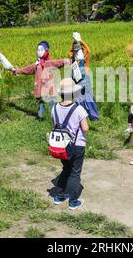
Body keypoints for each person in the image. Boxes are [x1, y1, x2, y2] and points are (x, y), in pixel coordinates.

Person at [50, 78, 89, 210]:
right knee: (75, 172)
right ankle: (73, 201)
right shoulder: (78, 109)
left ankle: (59, 196)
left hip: (61, 145)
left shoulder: (54, 108)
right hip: (77, 145)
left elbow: (55, 124)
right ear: (73, 93)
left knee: (66, 169)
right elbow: (85, 128)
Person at [13, 41, 71, 118]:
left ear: (47, 51)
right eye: (38, 50)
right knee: (41, 102)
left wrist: (71, 60)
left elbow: (60, 62)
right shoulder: (37, 65)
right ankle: (42, 116)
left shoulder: (50, 62)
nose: (39, 52)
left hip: (50, 89)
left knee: (52, 104)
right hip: (40, 88)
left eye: (41, 50)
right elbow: (28, 69)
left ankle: (55, 118)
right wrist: (18, 71)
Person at [69, 32, 100, 121]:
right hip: (76, 79)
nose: (77, 53)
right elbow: (70, 53)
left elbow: (88, 50)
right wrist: (74, 42)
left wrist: (80, 41)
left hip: (84, 79)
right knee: (78, 98)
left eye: (78, 51)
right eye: (75, 51)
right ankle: (81, 118)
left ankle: (92, 116)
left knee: (87, 97)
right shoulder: (73, 61)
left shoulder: (84, 58)